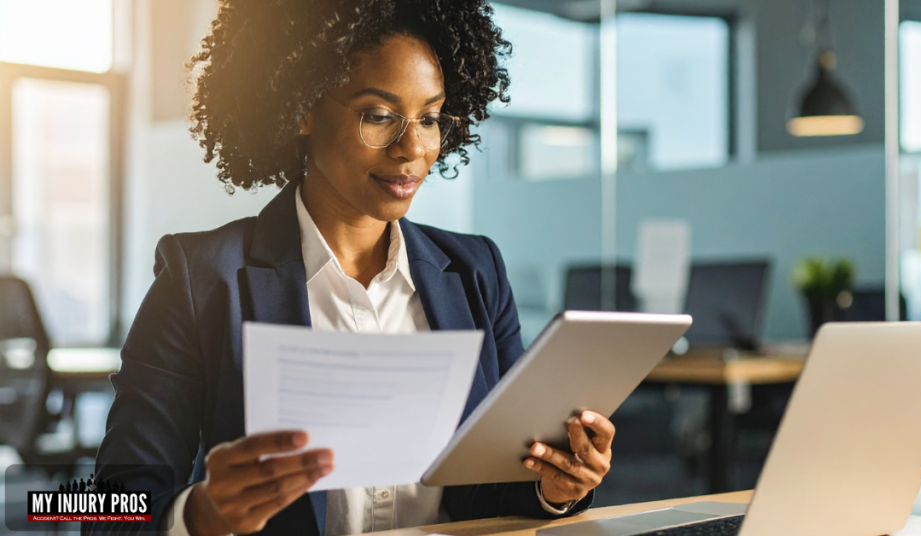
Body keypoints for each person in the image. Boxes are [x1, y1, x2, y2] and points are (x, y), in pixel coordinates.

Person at [88, 1, 616, 535]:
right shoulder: (201, 280)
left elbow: (497, 487)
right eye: (379, 116)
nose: (413, 149)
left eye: (430, 119)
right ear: (302, 107)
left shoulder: (477, 273)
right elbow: (100, 511)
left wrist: (555, 486)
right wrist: (199, 513)